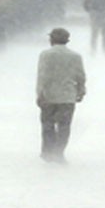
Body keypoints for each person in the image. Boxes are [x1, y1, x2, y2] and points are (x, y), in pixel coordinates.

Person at [36, 27, 86, 164]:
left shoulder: (45, 55)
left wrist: (40, 94)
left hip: (49, 95)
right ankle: (59, 152)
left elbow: (42, 76)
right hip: (67, 96)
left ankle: (47, 152)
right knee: (64, 126)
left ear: (51, 39)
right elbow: (80, 76)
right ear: (67, 40)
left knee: (48, 124)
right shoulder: (75, 56)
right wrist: (81, 91)